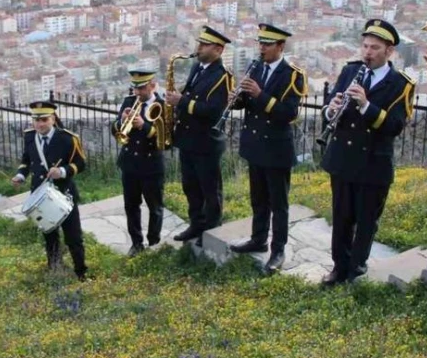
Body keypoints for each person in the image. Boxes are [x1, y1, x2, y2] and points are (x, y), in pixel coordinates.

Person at [319, 20, 416, 286]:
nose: (368, 52)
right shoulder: (351, 71)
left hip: (373, 163)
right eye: (365, 46)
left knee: (366, 220)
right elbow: (330, 107)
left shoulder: (401, 84)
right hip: (342, 158)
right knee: (341, 218)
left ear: (389, 51)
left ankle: (356, 267)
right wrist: (331, 109)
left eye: (375, 47)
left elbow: (395, 126)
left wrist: (366, 105)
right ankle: (339, 267)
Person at [228, 23, 308, 274]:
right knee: (258, 198)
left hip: (276, 149)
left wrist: (260, 94)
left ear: (280, 46)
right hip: (255, 145)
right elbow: (249, 104)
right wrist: (237, 99)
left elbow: (289, 113)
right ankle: (258, 239)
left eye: (267, 44)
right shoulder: (257, 68)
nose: (262, 48)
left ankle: (278, 250)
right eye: (260, 43)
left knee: (279, 203)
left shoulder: (293, 75)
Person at [164, 26, 234, 244]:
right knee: (191, 187)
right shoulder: (197, 67)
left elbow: (214, 111)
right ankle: (196, 225)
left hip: (206, 142)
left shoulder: (223, 77)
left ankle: (212, 230)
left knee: (210, 190)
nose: (199, 47)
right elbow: (190, 94)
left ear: (218, 50)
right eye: (200, 43)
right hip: (187, 139)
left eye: (205, 45)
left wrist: (181, 102)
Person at [12, 101, 89, 280]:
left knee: (73, 237)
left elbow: (81, 163)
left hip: (64, 194)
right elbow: (26, 161)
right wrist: (20, 176)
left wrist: (62, 171)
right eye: (36, 120)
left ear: (53, 119)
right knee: (50, 236)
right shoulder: (30, 137)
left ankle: (81, 272)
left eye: (44, 120)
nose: (39, 124)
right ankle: (55, 269)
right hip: (40, 195)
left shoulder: (67, 138)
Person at [112, 70, 166, 255]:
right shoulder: (129, 101)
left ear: (152, 85)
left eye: (141, 88)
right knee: (131, 206)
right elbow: (116, 128)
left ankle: (154, 243)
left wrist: (144, 126)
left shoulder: (162, 105)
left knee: (155, 207)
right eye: (135, 88)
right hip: (130, 164)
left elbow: (166, 139)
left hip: (152, 165)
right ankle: (136, 243)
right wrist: (122, 121)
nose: (138, 93)